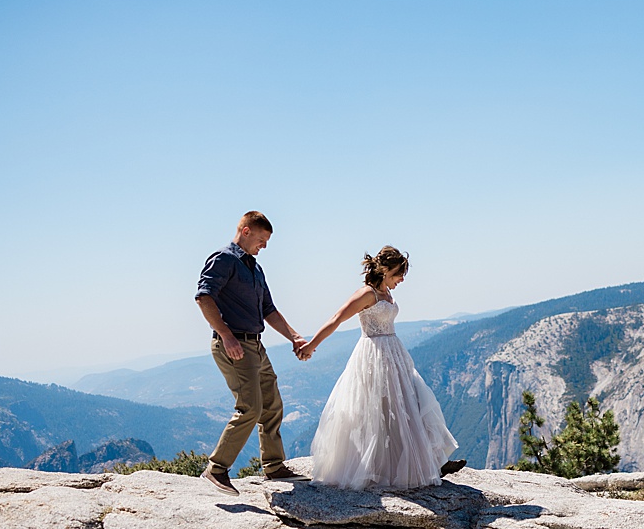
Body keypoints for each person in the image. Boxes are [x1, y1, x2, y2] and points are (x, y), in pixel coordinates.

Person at [297, 247, 465, 490]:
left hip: (394, 353)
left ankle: (433, 461)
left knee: (411, 403)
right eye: (399, 274)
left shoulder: (385, 291)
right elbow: (337, 318)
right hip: (372, 356)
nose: (402, 279)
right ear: (385, 270)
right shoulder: (367, 294)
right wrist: (312, 345)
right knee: (379, 411)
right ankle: (381, 468)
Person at [193, 211, 308, 493]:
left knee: (271, 403)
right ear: (245, 231)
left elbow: (268, 309)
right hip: (234, 344)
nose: (264, 246)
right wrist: (227, 335)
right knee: (250, 408)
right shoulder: (224, 258)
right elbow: (203, 297)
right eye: (261, 239)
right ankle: (216, 469)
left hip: (255, 344)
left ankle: (274, 466)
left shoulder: (254, 268)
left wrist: (294, 336)